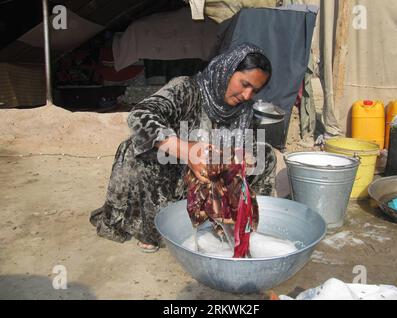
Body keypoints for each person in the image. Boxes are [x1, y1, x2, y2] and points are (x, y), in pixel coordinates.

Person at [90, 43, 277, 253]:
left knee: (265, 155)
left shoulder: (243, 111)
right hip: (172, 181)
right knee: (139, 151)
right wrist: (186, 151)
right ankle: (153, 227)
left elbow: (242, 150)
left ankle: (242, 226)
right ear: (227, 69)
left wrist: (236, 158)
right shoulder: (186, 89)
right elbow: (140, 115)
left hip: (211, 183)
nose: (246, 95)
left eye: (254, 90)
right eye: (244, 84)